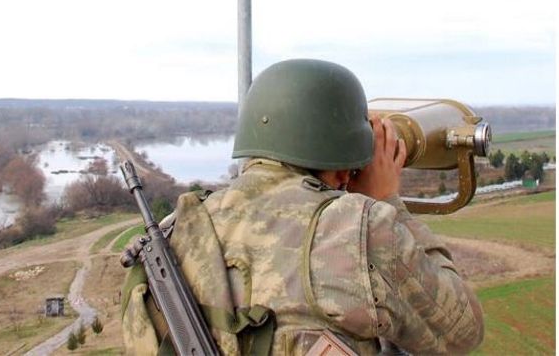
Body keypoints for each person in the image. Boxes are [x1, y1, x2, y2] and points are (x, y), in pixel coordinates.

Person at [121, 59, 484, 355]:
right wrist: (387, 202)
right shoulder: (358, 230)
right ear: (341, 159)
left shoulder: (174, 231)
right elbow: (462, 330)